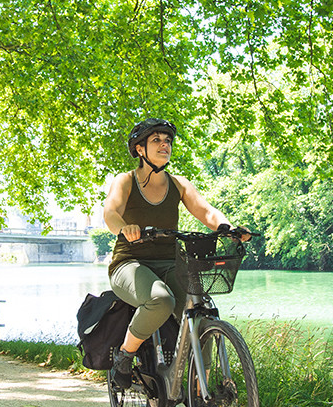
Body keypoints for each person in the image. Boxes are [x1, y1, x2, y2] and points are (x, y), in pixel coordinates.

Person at [102, 118, 250, 389]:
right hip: (130, 263)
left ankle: (200, 392)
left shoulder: (179, 184)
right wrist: (125, 228)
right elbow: (110, 212)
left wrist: (227, 228)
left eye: (167, 141)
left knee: (200, 310)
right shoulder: (125, 181)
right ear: (140, 149)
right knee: (161, 300)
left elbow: (206, 211)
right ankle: (125, 356)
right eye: (156, 140)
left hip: (171, 263)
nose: (164, 145)